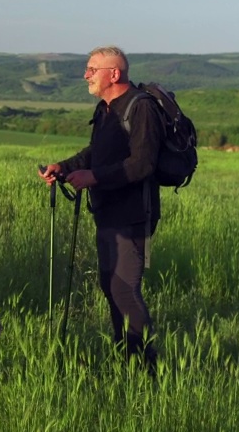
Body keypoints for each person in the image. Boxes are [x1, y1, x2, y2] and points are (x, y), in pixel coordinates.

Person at [39, 45, 162, 372]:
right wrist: (63, 168)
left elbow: (143, 164)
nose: (86, 75)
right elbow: (96, 153)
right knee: (110, 287)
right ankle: (126, 360)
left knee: (124, 290)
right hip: (107, 213)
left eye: (92, 69)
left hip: (133, 216)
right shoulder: (106, 110)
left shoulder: (141, 109)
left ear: (114, 74)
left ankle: (145, 371)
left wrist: (94, 177)